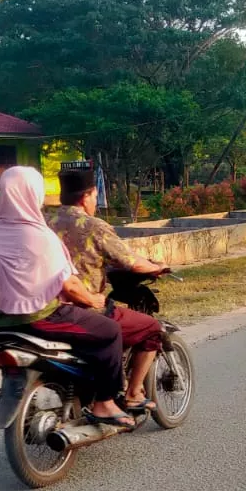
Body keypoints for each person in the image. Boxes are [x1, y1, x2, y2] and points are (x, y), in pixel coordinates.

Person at [0, 166, 134, 429]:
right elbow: (70, 285)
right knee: (109, 330)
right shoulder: (39, 236)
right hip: (37, 317)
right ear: (33, 193)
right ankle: (105, 402)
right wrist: (94, 300)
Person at [49, 166, 170, 411]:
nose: (96, 201)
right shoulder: (93, 226)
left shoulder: (45, 221)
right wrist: (157, 266)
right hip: (86, 306)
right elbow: (130, 261)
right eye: (94, 196)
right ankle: (134, 393)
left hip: (48, 307)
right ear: (86, 196)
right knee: (151, 328)